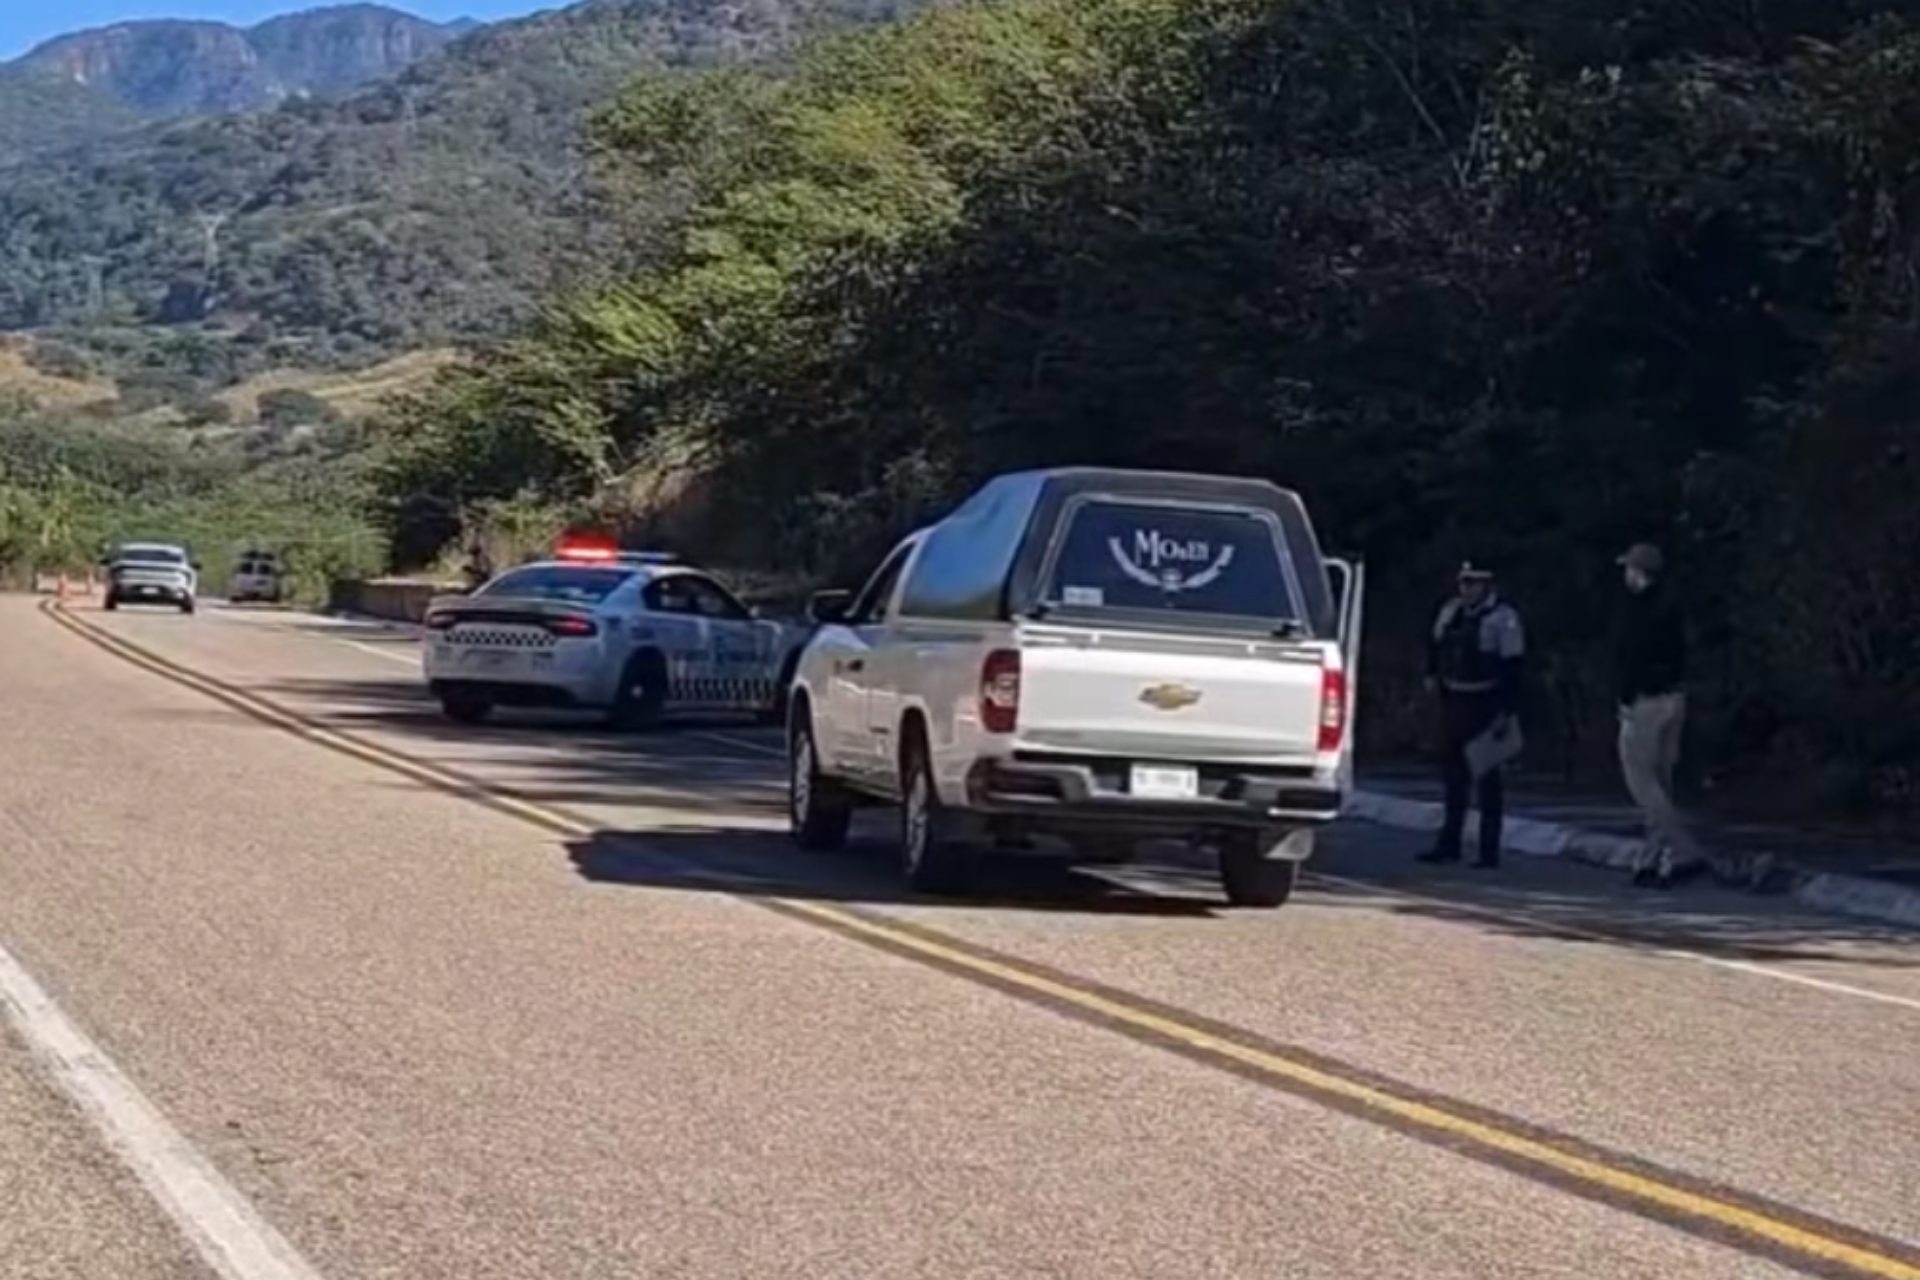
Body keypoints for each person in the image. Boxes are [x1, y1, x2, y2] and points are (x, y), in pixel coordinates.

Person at [1419, 562, 1525, 868]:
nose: (1467, 589)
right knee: (1453, 778)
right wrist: (1432, 677)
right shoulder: (1451, 611)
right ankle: (1448, 843)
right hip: (1455, 699)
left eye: (1474, 583)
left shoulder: (1503, 618)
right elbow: (1435, 647)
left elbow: (1513, 668)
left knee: (1488, 780)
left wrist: (1507, 711)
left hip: (1486, 702)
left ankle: (1488, 851)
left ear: (1487, 585)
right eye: (1464, 583)